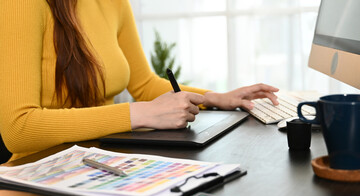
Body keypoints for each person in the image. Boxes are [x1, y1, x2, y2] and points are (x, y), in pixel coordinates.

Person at [0, 0, 279, 161]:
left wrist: (216, 98)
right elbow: (18, 128)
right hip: (40, 171)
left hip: (100, 160)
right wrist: (140, 114)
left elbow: (144, 83)